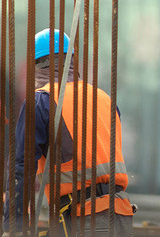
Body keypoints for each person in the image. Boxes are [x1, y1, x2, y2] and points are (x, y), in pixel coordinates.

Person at [3, 28, 134, 236]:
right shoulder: (105, 99)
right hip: (120, 214)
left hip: (82, 218)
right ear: (72, 61)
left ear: (36, 65)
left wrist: (14, 226)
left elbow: (22, 167)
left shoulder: (41, 101)